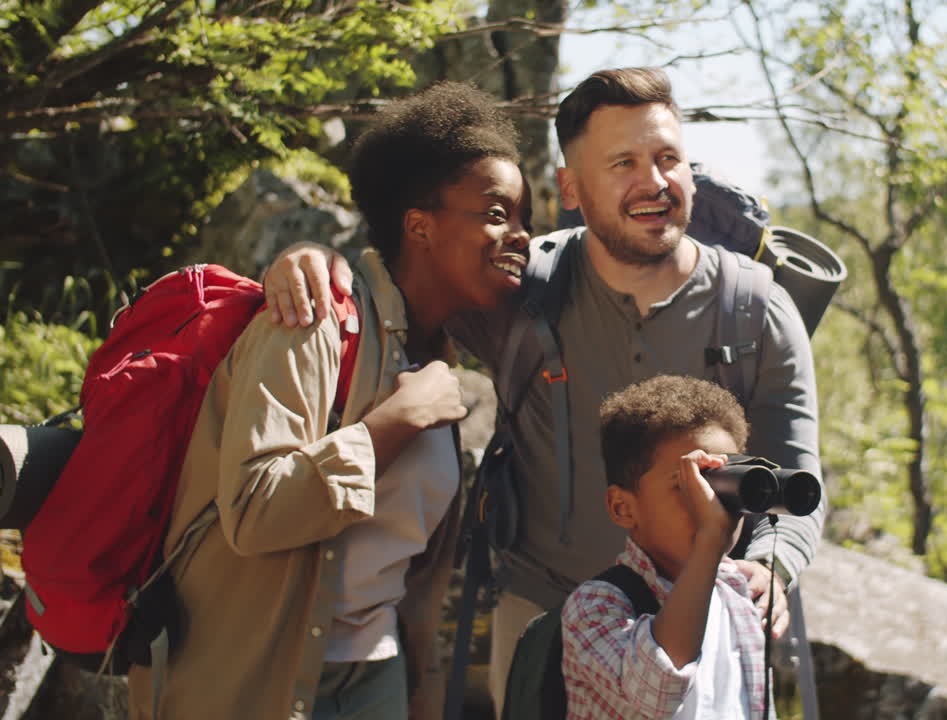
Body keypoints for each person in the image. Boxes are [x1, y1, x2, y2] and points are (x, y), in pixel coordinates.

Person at [262, 66, 823, 715]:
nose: (654, 182)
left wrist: (771, 568)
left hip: (703, 618)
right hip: (544, 620)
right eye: (623, 163)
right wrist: (311, 259)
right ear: (572, 186)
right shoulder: (520, 288)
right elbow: (404, 275)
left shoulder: (757, 312)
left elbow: (796, 479)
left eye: (669, 158)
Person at [128, 81, 531, 720]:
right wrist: (396, 423)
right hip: (251, 678)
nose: (521, 234)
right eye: (496, 212)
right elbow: (256, 512)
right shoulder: (314, 320)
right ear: (419, 226)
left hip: (377, 674)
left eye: (523, 216)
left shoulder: (438, 358)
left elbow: (408, 569)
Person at [561, 374, 775, 719]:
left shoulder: (740, 596)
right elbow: (656, 694)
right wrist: (709, 540)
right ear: (623, 507)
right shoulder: (596, 606)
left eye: (726, 481)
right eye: (688, 485)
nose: (712, 503)